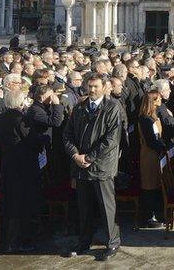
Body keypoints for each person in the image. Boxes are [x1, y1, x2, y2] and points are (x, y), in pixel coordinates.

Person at [63, 75, 124, 261]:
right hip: (81, 166)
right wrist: (75, 155)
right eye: (90, 86)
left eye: (96, 86)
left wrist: (90, 157)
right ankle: (84, 242)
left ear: (104, 87)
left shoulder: (112, 107)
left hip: (101, 166)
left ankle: (112, 243)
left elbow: (111, 140)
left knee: (106, 208)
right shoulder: (80, 107)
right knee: (85, 208)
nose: (92, 90)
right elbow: (67, 134)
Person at [0, 87, 44, 252]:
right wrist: (43, 139)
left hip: (9, 164)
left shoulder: (0, 119)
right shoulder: (21, 119)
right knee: (24, 203)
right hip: (25, 166)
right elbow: (32, 141)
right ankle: (21, 240)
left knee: (12, 202)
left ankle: (10, 239)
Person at [137, 90, 165, 229]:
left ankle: (155, 212)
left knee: (155, 183)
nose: (160, 101)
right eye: (158, 99)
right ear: (152, 101)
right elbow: (150, 140)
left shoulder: (153, 117)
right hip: (149, 156)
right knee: (149, 184)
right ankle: (148, 216)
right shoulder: (145, 119)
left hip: (155, 155)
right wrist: (161, 147)